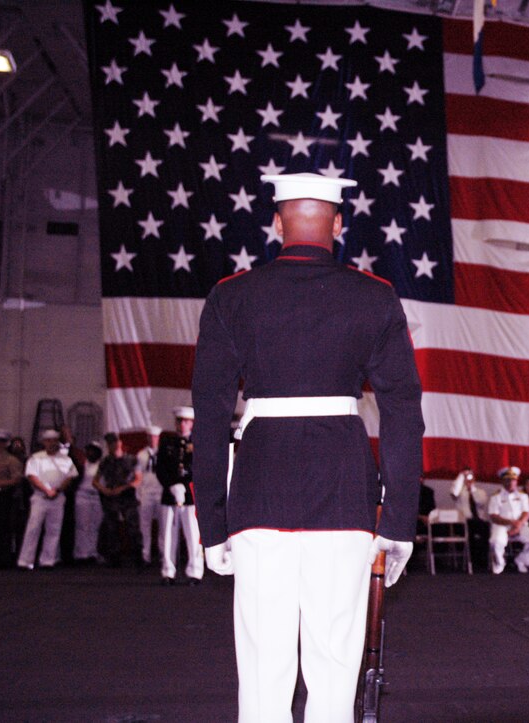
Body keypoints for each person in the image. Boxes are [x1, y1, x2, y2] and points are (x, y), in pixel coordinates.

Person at [191, 171, 424, 721]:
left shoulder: (232, 295)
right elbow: (402, 415)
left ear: (276, 223)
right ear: (339, 224)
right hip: (343, 492)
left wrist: (212, 523)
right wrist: (397, 522)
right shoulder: (375, 296)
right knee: (334, 665)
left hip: (258, 492)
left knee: (263, 667)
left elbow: (209, 417)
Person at [155, 408, 204, 585]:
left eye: (186, 421)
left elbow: (201, 470)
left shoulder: (199, 442)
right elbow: (160, 468)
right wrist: (171, 485)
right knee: (168, 535)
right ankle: (168, 571)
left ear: (192, 423)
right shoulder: (167, 442)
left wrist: (186, 486)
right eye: (179, 421)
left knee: (193, 535)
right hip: (170, 495)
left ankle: (195, 572)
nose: (182, 424)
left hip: (190, 497)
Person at [17, 429, 77, 569]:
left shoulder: (66, 459)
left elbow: (70, 477)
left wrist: (57, 490)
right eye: (48, 440)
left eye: (54, 440)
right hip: (40, 497)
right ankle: (25, 561)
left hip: (58, 497)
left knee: (53, 529)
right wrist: (46, 490)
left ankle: (48, 560)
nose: (51, 443)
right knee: (33, 528)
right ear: (44, 442)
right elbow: (32, 476)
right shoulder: (36, 458)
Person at [93, 432, 142, 568]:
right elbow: (95, 481)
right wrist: (105, 490)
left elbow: (138, 479)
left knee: (133, 528)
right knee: (111, 528)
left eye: (114, 442)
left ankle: (138, 556)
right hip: (111, 497)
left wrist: (123, 488)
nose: (112, 446)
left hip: (127, 496)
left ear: (120, 443)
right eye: (110, 443)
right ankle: (114, 557)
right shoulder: (105, 461)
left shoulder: (131, 459)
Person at [487, 466, 529, 574]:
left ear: (516, 481)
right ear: (502, 481)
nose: (511, 482)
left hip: (520, 525)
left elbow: (526, 512)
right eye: (507, 480)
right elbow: (493, 516)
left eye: (513, 480)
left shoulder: (523, 496)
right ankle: (500, 564)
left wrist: (518, 525)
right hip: (501, 525)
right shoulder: (496, 496)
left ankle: (521, 560)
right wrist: (512, 523)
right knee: (495, 542)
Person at [0, 429, 24, 568]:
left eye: (1, 441)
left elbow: (17, 479)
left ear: (6, 444)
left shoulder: (11, 460)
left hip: (2, 496)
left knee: (1, 528)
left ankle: (1, 559)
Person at [133, 425, 164, 566]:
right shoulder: (141, 455)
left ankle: (164, 554)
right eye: (150, 437)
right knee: (144, 526)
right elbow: (138, 476)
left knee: (164, 527)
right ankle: (146, 555)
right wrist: (138, 494)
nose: (153, 439)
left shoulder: (164, 453)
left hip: (161, 493)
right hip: (146, 493)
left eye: (155, 437)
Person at [450, 467, 491, 570]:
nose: (468, 478)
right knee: (471, 533)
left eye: (470, 476)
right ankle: (472, 562)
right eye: (466, 476)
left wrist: (472, 490)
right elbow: (454, 493)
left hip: (479, 521)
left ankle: (483, 562)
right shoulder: (460, 492)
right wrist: (461, 477)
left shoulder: (480, 492)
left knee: (485, 529)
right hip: (464, 522)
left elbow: (481, 502)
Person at [72, 441, 104, 564]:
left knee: (95, 526)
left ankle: (92, 552)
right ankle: (81, 553)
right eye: (89, 450)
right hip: (82, 495)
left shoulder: (102, 465)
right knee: (82, 525)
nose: (91, 453)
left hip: (97, 497)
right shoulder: (82, 464)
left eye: (94, 451)